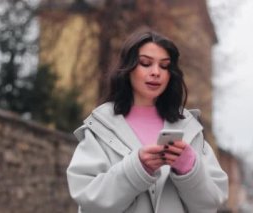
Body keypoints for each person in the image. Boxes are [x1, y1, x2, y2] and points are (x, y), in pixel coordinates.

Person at [66, 27, 228, 213]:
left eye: (164, 66)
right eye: (145, 63)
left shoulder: (189, 127)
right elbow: (89, 198)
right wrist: (137, 168)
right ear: (128, 68)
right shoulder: (101, 126)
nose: (156, 72)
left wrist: (189, 168)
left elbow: (212, 202)